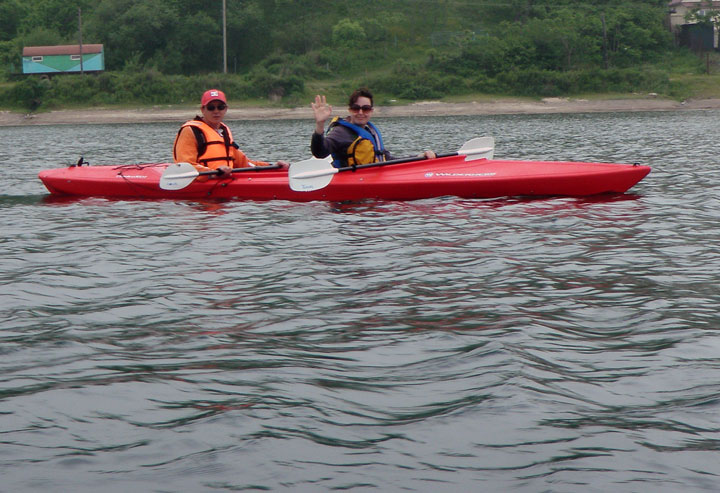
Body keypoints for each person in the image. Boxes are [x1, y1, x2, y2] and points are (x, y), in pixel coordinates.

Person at [173, 89, 288, 178]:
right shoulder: (191, 131)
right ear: (203, 110)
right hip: (202, 188)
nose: (216, 111)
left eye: (220, 107)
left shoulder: (224, 132)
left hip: (223, 182)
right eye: (211, 107)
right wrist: (213, 173)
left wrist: (273, 167)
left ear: (226, 109)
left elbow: (244, 163)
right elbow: (185, 166)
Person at [311, 88, 435, 168]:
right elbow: (320, 152)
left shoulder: (370, 132)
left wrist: (419, 157)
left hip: (371, 186)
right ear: (350, 110)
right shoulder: (341, 132)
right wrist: (320, 125)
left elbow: (387, 159)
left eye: (365, 108)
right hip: (348, 200)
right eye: (356, 108)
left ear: (371, 111)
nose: (360, 112)